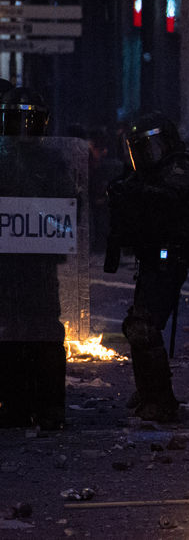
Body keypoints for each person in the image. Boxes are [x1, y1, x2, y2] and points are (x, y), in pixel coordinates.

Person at [107, 111, 189, 422]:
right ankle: (148, 389)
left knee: (144, 326)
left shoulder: (179, 165)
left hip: (169, 255)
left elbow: (172, 196)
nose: (144, 156)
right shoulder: (144, 175)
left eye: (147, 147)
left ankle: (161, 398)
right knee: (138, 325)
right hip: (150, 255)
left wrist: (137, 192)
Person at [0, 87, 76, 430]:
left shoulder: (52, 162)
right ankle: (18, 406)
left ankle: (47, 408)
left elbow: (68, 206)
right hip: (10, 262)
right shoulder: (3, 160)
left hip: (38, 261)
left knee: (43, 331)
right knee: (13, 331)